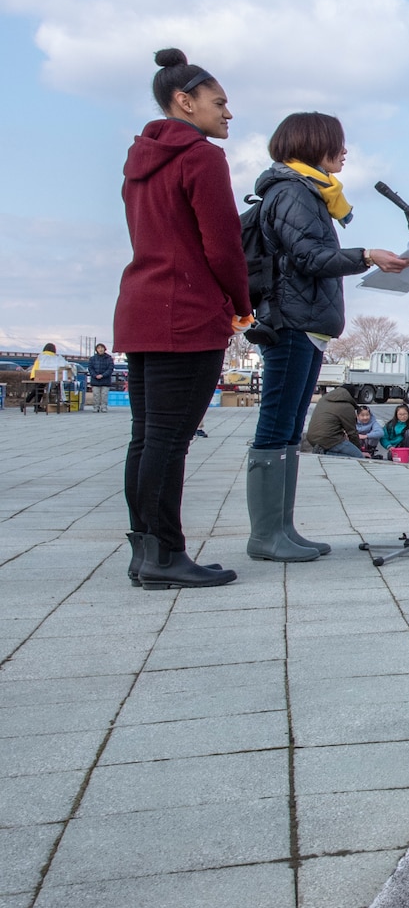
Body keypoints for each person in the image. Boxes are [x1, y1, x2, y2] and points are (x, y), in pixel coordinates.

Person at [248, 110, 409, 563]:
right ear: (313, 144)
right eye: (337, 143)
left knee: (287, 428)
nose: (344, 152)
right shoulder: (294, 193)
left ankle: (281, 528)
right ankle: (266, 535)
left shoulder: (310, 194)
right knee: (277, 425)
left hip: (307, 324)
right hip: (291, 323)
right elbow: (308, 256)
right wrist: (366, 255)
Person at [112, 49, 248, 589]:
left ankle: (145, 551)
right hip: (186, 311)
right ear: (184, 101)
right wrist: (240, 302)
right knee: (170, 440)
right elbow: (222, 245)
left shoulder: (138, 159)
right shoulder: (201, 157)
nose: (228, 113)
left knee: (145, 438)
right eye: (220, 103)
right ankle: (166, 554)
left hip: (140, 305)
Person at [304, 385, 364, 458]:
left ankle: (323, 451)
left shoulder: (323, 400)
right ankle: (324, 454)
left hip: (312, 437)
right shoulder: (347, 407)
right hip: (329, 439)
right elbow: (352, 433)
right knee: (359, 457)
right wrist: (358, 449)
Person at [86, 344, 114, 412]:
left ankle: (104, 407)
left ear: (105, 349)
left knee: (104, 395)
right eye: (98, 348)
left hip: (105, 379)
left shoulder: (109, 358)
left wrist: (103, 375)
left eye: (102, 348)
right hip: (95, 379)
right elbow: (90, 368)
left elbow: (110, 368)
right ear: (96, 350)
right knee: (96, 394)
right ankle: (96, 407)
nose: (100, 349)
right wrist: (95, 375)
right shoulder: (92, 358)